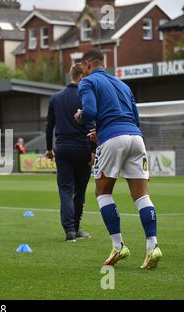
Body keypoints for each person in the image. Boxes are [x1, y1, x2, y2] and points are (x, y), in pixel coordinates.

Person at [75, 49, 162, 269]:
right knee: (142, 195)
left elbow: (90, 111)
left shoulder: (87, 82)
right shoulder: (123, 85)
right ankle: (153, 247)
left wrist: (81, 117)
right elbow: (135, 117)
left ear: (87, 64)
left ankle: (118, 245)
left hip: (113, 139)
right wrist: (104, 131)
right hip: (135, 137)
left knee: (102, 192)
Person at [45, 64, 95, 242]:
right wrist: (93, 150)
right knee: (80, 190)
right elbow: (90, 123)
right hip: (82, 147)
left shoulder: (55, 98)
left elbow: (49, 125)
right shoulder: (85, 96)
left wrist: (49, 148)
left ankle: (69, 231)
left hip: (62, 148)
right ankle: (76, 227)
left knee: (66, 190)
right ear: (81, 76)